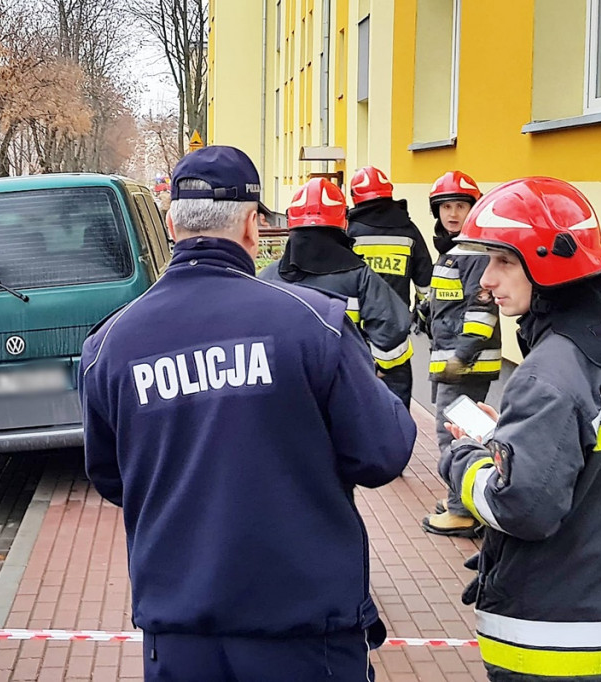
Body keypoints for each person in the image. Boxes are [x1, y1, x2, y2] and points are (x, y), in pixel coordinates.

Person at [79, 146, 416, 682]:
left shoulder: (111, 344)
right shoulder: (314, 325)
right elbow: (383, 453)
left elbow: (111, 477)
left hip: (180, 634)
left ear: (171, 224)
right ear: (254, 227)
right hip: (306, 634)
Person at [443, 177, 601, 682]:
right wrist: (509, 439)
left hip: (556, 644)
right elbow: (595, 471)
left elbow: (520, 507)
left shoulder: (549, 374)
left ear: (547, 262)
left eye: (503, 261)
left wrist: (463, 457)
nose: (486, 279)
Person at [260, 177, 415, 384]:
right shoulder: (360, 276)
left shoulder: (267, 278)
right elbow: (392, 328)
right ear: (343, 224)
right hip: (345, 385)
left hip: (284, 386)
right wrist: (377, 368)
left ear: (291, 225)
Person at [420, 171, 502, 537]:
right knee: (466, 432)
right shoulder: (456, 251)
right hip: (453, 361)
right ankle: (464, 496)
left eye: (461, 206)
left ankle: (462, 510)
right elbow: (448, 302)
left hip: (465, 364)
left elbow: (481, 310)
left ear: (474, 208)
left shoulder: (472, 254)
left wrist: (462, 355)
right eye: (446, 206)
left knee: (454, 434)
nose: (453, 213)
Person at [346, 166, 433, 408]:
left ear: (355, 197)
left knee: (358, 411)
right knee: (396, 413)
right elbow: (426, 282)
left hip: (355, 338)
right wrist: (418, 316)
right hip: (396, 340)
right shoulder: (408, 230)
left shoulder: (348, 232)